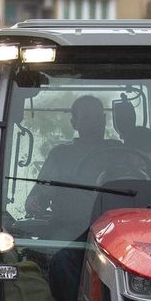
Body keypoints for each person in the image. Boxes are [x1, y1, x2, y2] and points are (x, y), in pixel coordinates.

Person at [25, 95, 110, 229]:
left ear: (104, 119)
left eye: (98, 117)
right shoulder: (60, 155)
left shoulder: (122, 152)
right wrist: (37, 202)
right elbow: (37, 198)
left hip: (116, 229)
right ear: (73, 123)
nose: (94, 123)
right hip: (69, 232)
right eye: (87, 118)